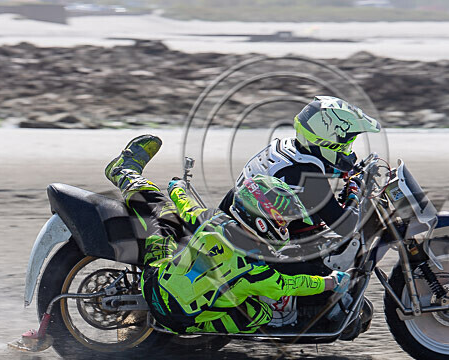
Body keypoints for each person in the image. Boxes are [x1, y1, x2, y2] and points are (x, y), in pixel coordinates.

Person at [105, 135, 349, 335]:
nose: (284, 225)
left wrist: (177, 188)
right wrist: (330, 282)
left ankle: (124, 171)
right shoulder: (255, 269)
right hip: (181, 322)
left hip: (153, 281)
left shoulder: (213, 221)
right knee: (262, 314)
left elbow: (186, 208)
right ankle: (205, 338)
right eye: (281, 219)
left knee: (161, 210)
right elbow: (290, 284)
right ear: (261, 219)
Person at [218, 95, 381, 240]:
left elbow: (321, 165)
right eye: (346, 143)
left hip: (234, 228)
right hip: (250, 248)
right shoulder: (308, 177)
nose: (348, 149)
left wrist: (347, 172)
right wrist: (354, 189)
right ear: (326, 139)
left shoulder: (288, 147)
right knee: (342, 250)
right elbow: (346, 227)